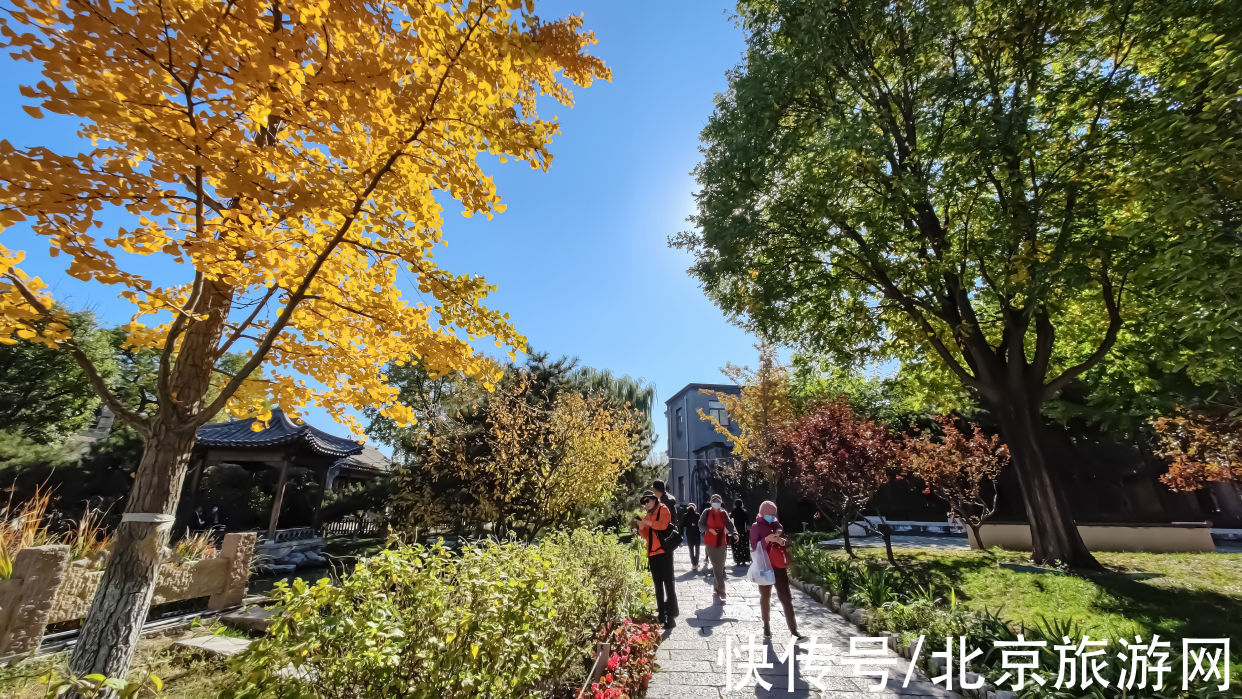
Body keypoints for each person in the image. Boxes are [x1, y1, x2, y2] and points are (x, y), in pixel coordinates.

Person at [750, 500, 805, 639]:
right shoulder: (756, 526)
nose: (771, 517)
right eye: (768, 514)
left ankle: (794, 631)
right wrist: (766, 540)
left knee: (786, 598)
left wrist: (781, 540)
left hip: (779, 566)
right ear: (762, 513)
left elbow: (780, 530)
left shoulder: (776, 524)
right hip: (765, 566)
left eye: (773, 514)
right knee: (766, 596)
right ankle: (766, 625)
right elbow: (754, 547)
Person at [638, 490, 679, 628]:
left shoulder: (663, 509)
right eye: (644, 502)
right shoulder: (648, 515)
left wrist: (647, 523)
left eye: (647, 501)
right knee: (657, 585)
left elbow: (663, 525)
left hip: (664, 551)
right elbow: (646, 535)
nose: (646, 504)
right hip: (653, 554)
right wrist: (641, 527)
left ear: (654, 499)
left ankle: (671, 616)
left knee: (668, 583)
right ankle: (661, 614)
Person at [698, 493, 738, 599]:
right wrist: (709, 529)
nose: (716, 503)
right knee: (716, 565)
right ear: (711, 502)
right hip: (710, 542)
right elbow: (700, 524)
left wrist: (735, 533)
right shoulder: (706, 512)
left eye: (718, 502)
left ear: (721, 503)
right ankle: (722, 589)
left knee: (720, 566)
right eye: (714, 502)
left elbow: (730, 524)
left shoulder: (723, 513)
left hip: (722, 541)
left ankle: (716, 587)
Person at [680, 503, 701, 569]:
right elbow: (700, 524)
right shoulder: (697, 515)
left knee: (691, 550)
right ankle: (696, 563)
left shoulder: (685, 515)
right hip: (697, 534)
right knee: (697, 549)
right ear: (695, 508)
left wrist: (682, 534)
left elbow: (682, 525)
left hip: (689, 534)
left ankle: (693, 564)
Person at [731, 498, 751, 565]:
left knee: (736, 546)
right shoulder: (744, 512)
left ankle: (738, 560)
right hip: (743, 531)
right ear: (741, 504)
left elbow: (731, 522)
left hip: (735, 532)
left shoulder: (733, 512)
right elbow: (747, 522)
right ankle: (744, 560)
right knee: (743, 546)